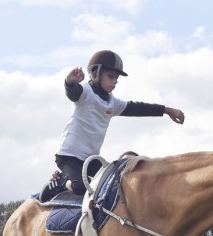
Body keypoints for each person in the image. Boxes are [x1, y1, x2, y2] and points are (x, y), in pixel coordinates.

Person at [39, 50, 185, 202]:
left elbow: (138, 108)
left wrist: (167, 110)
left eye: (116, 78)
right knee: (81, 187)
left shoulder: (112, 103)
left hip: (90, 159)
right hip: (68, 156)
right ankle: (62, 182)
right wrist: (69, 82)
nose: (115, 81)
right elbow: (73, 93)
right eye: (111, 76)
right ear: (95, 73)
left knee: (112, 183)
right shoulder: (85, 93)